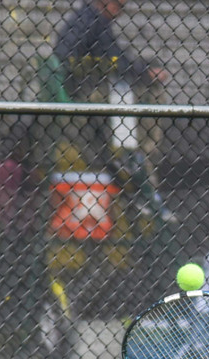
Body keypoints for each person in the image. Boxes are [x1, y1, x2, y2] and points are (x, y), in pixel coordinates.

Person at [53, 0, 171, 221]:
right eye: (118, 4)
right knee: (151, 90)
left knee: (142, 81)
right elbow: (77, 58)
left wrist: (142, 69)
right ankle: (139, 151)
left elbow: (118, 59)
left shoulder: (97, 22)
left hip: (98, 88)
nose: (120, 11)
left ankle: (136, 153)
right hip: (88, 93)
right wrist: (143, 73)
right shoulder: (88, 21)